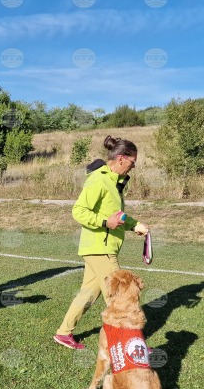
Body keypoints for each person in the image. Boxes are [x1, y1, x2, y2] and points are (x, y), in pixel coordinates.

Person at [53, 135, 149, 350]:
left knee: (88, 293)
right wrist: (105, 222)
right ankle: (130, 345)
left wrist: (134, 224)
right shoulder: (99, 179)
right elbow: (79, 211)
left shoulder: (114, 182)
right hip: (100, 248)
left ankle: (63, 333)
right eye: (132, 162)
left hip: (99, 248)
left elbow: (117, 216)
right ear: (122, 158)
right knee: (121, 296)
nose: (133, 167)